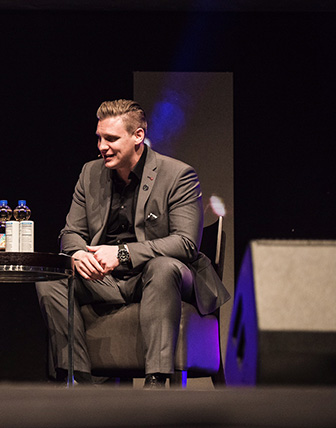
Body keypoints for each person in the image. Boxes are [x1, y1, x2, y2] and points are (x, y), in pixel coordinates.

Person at [35, 99, 230, 388]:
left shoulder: (178, 175)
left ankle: (156, 381)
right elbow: (70, 232)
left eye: (111, 139)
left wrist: (123, 254)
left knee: (162, 268)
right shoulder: (90, 173)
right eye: (99, 138)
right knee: (52, 278)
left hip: (162, 276)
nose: (102, 146)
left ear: (138, 136)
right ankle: (78, 381)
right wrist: (77, 254)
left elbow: (186, 243)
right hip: (106, 279)